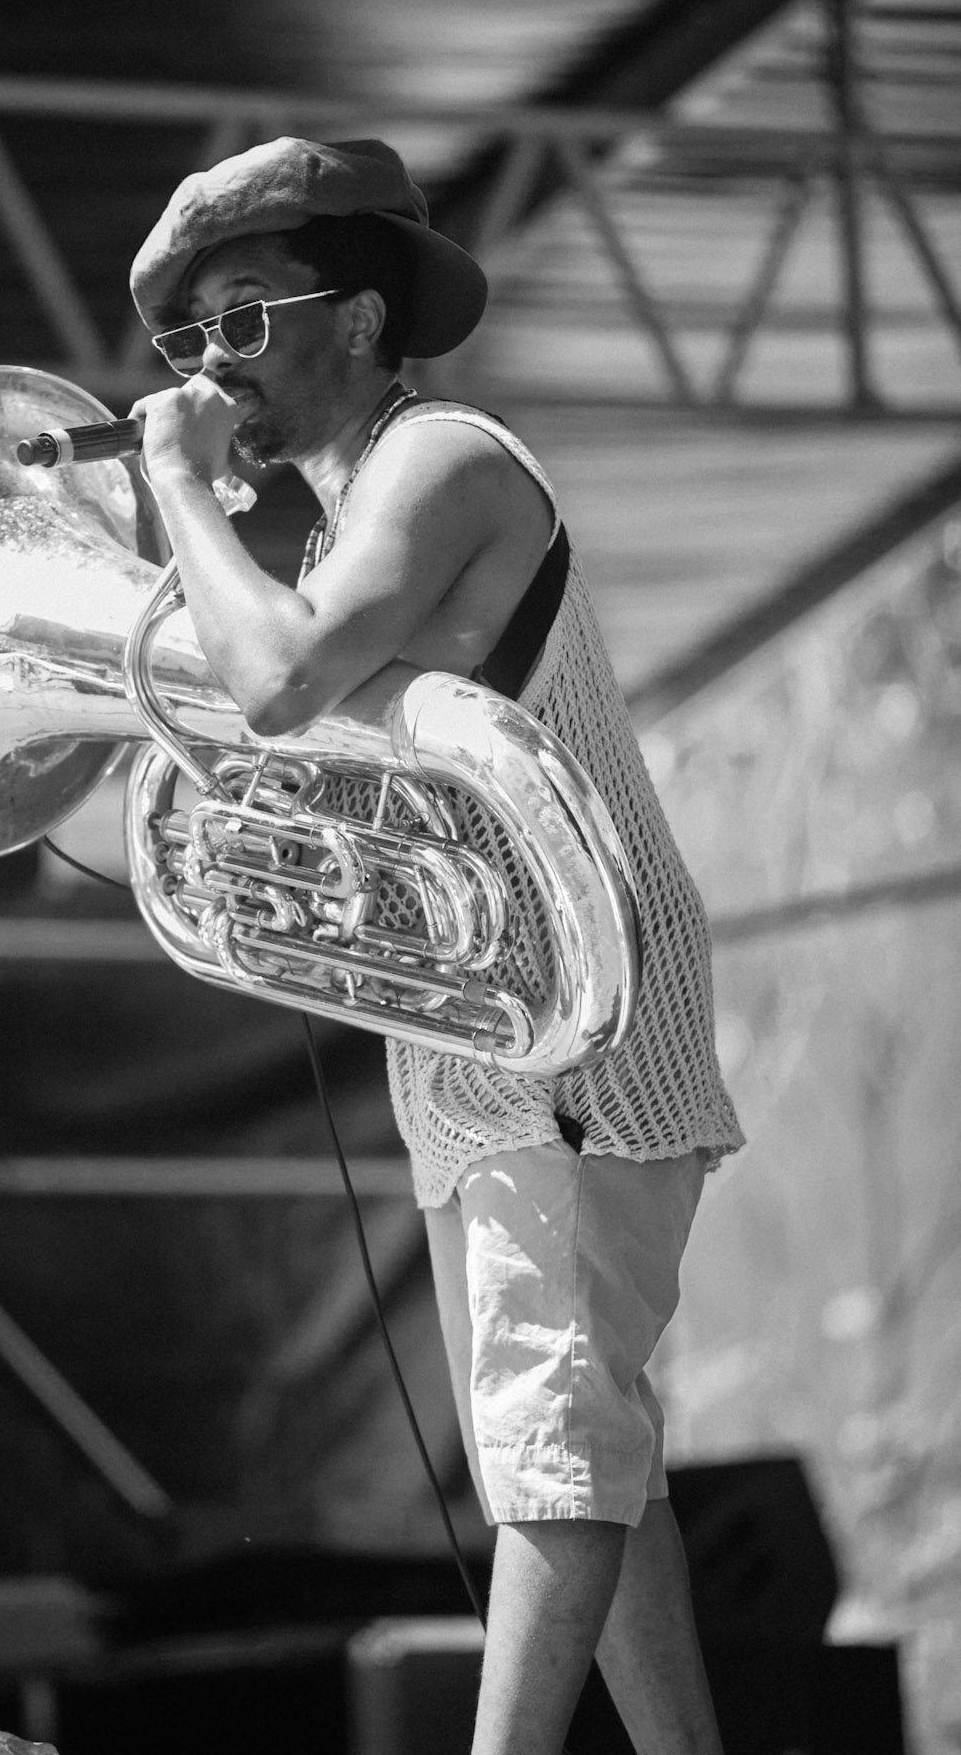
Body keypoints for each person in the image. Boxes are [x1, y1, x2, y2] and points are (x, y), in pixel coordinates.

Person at [127, 135, 744, 1755]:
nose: (209, 373)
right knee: (568, 1439)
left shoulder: (440, 458)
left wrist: (177, 482)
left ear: (364, 314)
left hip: (566, 999)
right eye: (186, 342)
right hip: (493, 1010)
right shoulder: (348, 519)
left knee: (552, 1424)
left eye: (242, 322)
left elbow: (274, 687)